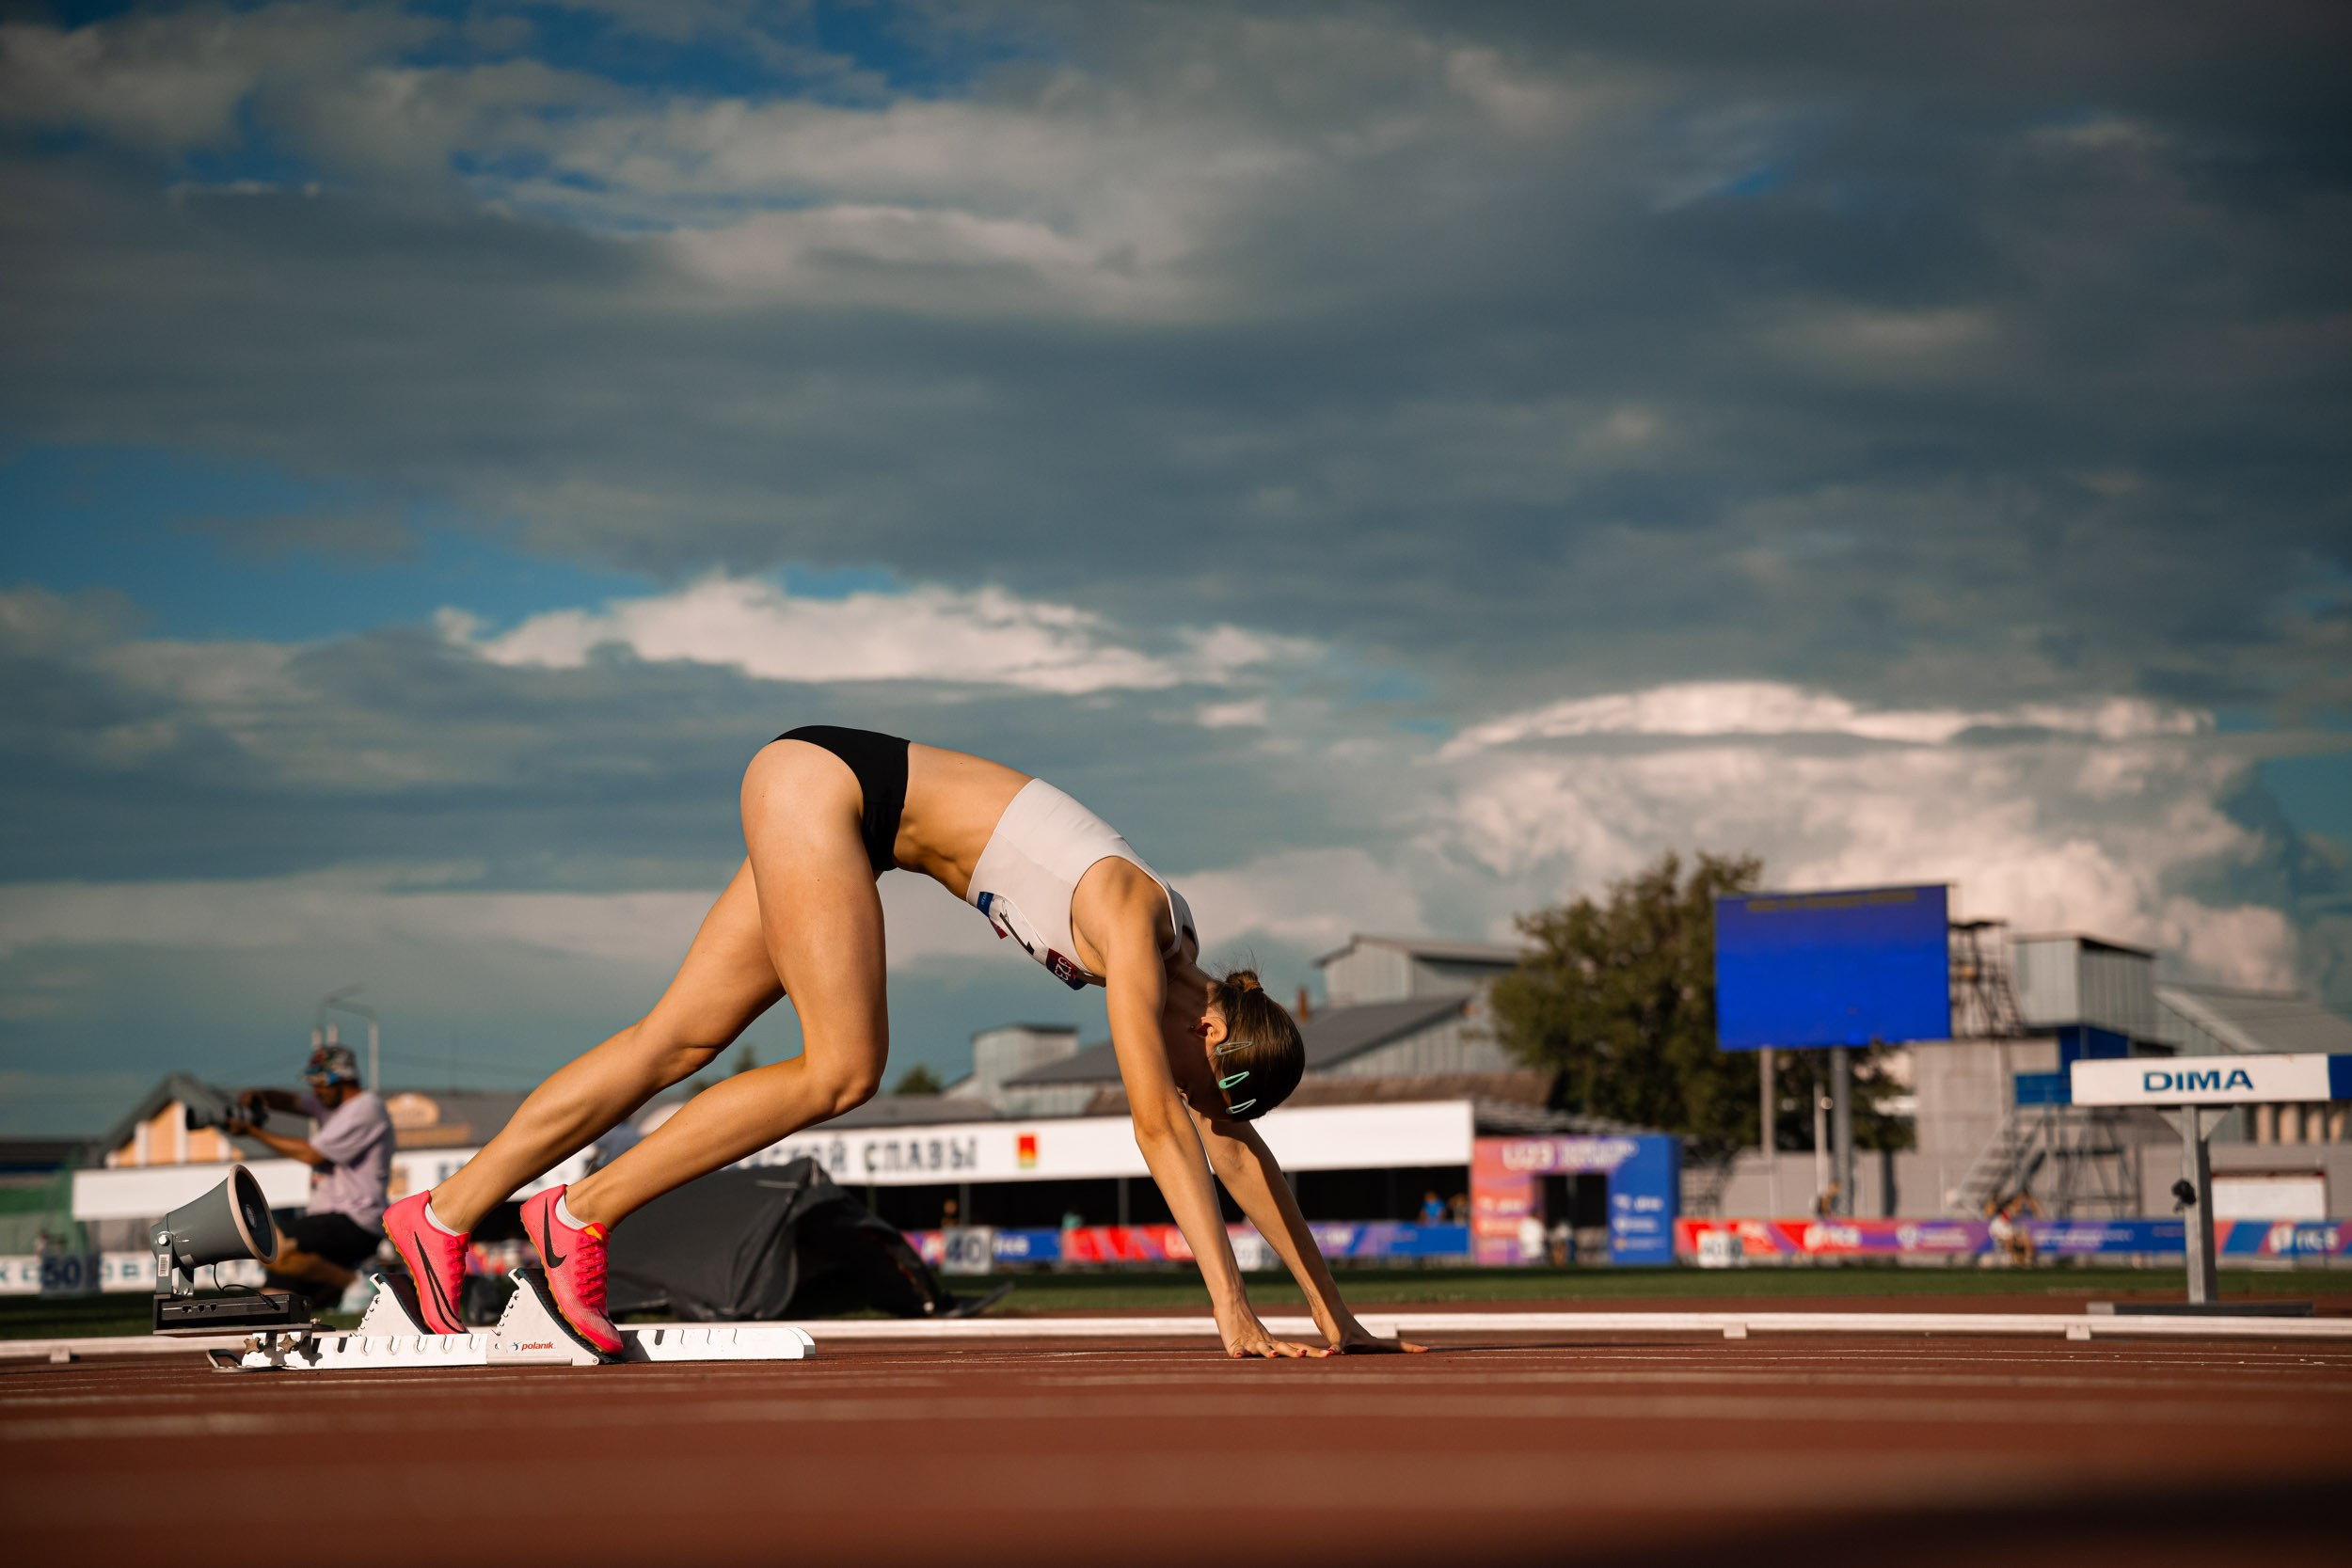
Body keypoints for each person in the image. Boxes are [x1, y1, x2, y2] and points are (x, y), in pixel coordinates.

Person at [383, 727, 1422, 1359]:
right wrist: (1228, 1306)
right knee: (844, 1068)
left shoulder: (1181, 978)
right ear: (1211, 1029)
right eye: (1217, 1084)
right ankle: (579, 1211)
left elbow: (1235, 1148)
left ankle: (443, 1215)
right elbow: (1159, 1124)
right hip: (827, 788)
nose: (1207, 1104)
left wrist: (1340, 1319)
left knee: (675, 1038)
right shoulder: (1138, 925)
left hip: (835, 800)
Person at [228, 1042, 393, 1310]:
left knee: (271, 1240)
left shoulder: (365, 1107)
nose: (314, 1091)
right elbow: (293, 1102)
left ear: (342, 1079)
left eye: (320, 1083)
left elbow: (313, 1155)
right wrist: (261, 1096)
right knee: (272, 1303)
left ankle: (352, 1282)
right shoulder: (332, 1107)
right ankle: (342, 1291)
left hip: (354, 1219)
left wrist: (252, 1131)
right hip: (328, 1222)